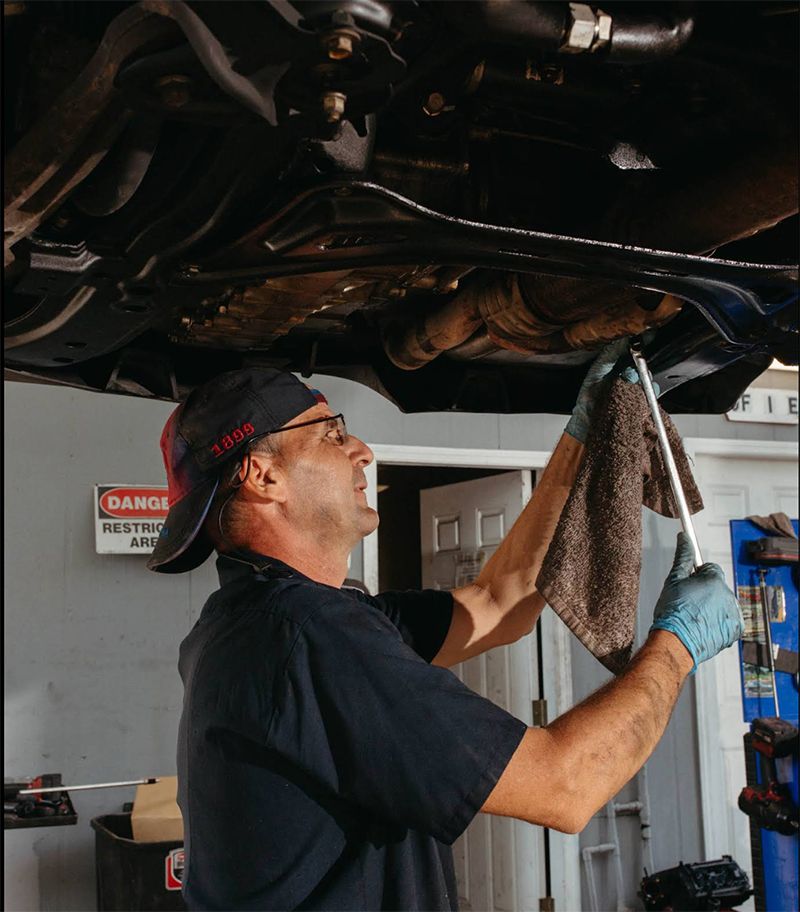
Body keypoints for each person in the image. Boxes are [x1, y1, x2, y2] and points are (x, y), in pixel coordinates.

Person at [148, 348, 743, 912]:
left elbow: (496, 601)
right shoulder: (306, 634)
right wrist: (677, 645)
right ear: (262, 476)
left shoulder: (261, 622)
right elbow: (565, 785)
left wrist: (585, 436)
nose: (359, 450)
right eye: (331, 434)